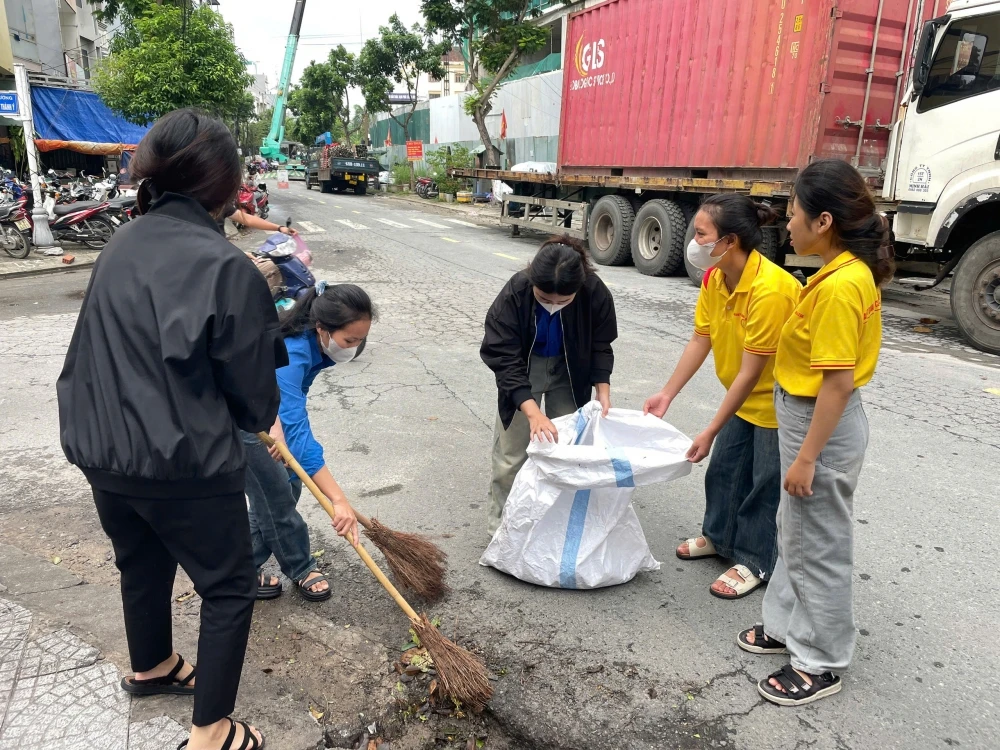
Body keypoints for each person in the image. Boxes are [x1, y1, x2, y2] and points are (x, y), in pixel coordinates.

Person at [57, 109, 285, 750]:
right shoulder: (227, 267)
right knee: (229, 586)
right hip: (183, 463)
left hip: (103, 450)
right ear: (227, 189)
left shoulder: (120, 244)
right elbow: (252, 402)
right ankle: (211, 733)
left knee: (143, 562)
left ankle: (152, 666)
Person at [737, 159, 891, 706]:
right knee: (793, 528)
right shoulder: (838, 272)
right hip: (809, 417)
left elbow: (837, 385)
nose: (788, 220)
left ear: (824, 220)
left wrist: (805, 459)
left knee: (819, 542)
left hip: (819, 421)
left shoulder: (839, 286)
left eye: (795, 211)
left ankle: (821, 660)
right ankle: (784, 627)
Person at [644, 195, 800, 599]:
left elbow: (751, 374)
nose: (693, 241)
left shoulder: (772, 291)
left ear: (729, 241)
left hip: (777, 402)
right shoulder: (715, 276)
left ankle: (754, 559)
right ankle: (718, 537)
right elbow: (702, 338)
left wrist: (710, 429)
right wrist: (667, 393)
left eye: (701, 234)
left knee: (763, 484)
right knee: (725, 471)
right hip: (740, 395)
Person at [246, 282, 375, 601]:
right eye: (350, 340)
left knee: (283, 485)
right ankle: (300, 566)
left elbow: (293, 404)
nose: (354, 348)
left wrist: (280, 424)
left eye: (361, 340)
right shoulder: (294, 350)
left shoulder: (317, 345)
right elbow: (299, 435)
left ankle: (239, 569)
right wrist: (338, 500)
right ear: (323, 328)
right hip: (240, 419)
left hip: (264, 411)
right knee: (277, 495)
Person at [481, 236, 618, 536]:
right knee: (511, 453)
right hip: (523, 371)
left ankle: (554, 524)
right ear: (532, 280)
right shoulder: (515, 292)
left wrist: (602, 393)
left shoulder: (594, 292)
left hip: (570, 372)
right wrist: (532, 413)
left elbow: (600, 344)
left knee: (565, 450)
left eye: (563, 301)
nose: (553, 305)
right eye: (545, 298)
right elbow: (502, 357)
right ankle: (502, 528)